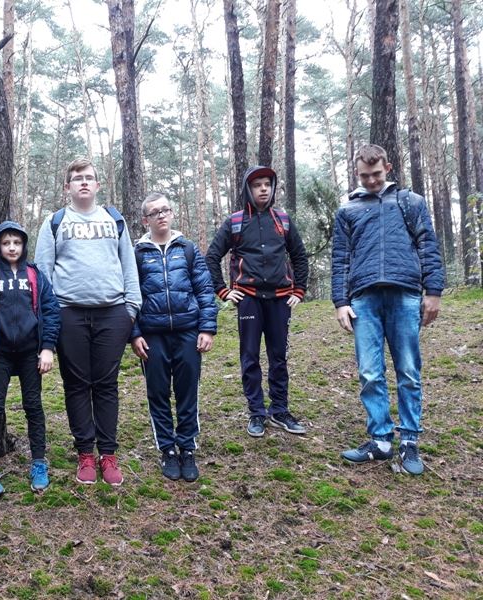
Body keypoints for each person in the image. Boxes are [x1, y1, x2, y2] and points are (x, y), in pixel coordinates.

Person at [332, 144, 444, 476]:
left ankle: (409, 441)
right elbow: (340, 259)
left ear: (388, 168)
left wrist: (433, 292)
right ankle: (380, 440)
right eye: (364, 176)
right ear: (357, 173)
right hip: (363, 298)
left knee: (408, 371)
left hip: (405, 294)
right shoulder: (347, 210)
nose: (371, 180)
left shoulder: (411, 202)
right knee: (369, 372)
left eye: (376, 174)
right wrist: (340, 302)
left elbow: (428, 246)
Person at [34, 158, 141, 486]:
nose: (83, 182)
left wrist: (131, 309)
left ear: (97, 185)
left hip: (113, 312)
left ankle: (108, 454)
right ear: (67, 187)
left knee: (106, 384)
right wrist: (49, 316)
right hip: (69, 313)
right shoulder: (54, 222)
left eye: (89, 177)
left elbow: (128, 265)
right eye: (77, 178)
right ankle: (85, 454)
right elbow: (43, 272)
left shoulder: (114, 220)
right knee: (77, 384)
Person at [205, 165, 309, 438]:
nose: (263, 189)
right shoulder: (235, 222)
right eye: (257, 185)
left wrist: (299, 290)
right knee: (250, 356)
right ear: (247, 189)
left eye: (267, 184)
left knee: (278, 357)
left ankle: (280, 410)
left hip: (280, 300)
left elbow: (299, 256)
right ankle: (256, 413)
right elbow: (211, 257)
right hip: (248, 299)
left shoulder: (283, 220)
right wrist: (223, 291)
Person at [0, 221, 60, 497]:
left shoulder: (36, 275)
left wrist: (48, 347)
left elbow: (51, 311)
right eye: (6, 243)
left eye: (16, 243)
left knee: (33, 406)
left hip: (31, 353)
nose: (11, 248)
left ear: (24, 245)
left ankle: (39, 463)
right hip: (0, 354)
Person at [131, 192, 217, 482]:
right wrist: (134, 334)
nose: (161, 215)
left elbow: (204, 290)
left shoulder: (188, 249)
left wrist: (207, 328)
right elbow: (130, 296)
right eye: (154, 212)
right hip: (152, 336)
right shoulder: (137, 254)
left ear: (172, 213)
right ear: (146, 220)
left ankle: (187, 448)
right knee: (157, 393)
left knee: (187, 392)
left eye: (165, 210)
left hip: (188, 332)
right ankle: (167, 449)